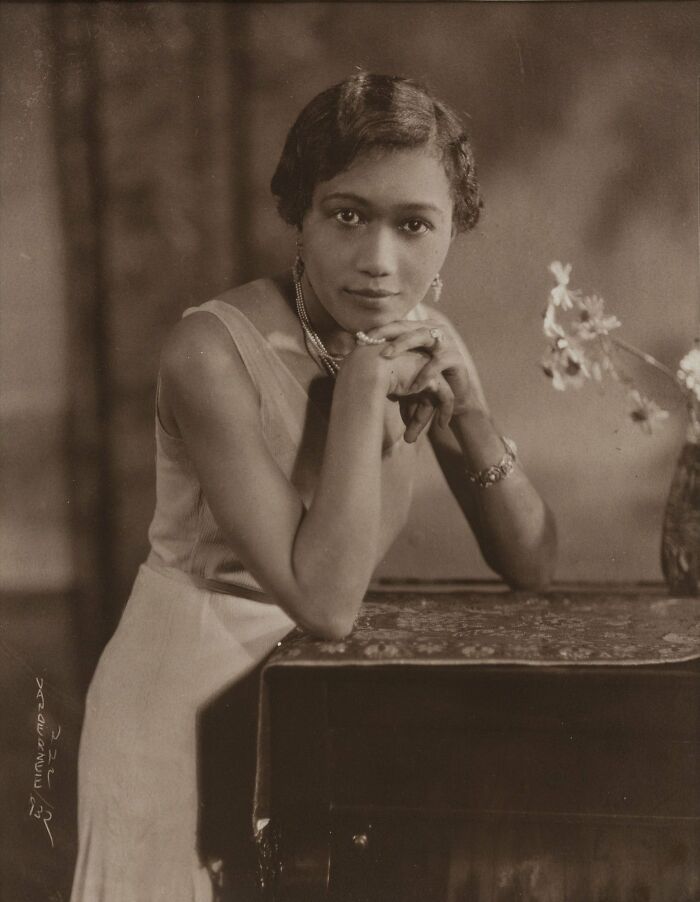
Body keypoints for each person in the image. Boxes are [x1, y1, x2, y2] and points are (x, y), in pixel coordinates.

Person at [70, 71, 556, 902]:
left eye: (413, 225)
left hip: (313, 712)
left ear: (450, 234)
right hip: (180, 710)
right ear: (299, 213)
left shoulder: (418, 338)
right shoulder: (208, 354)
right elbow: (326, 604)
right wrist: (366, 387)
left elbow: (533, 563)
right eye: (347, 215)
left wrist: (469, 410)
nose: (377, 260)